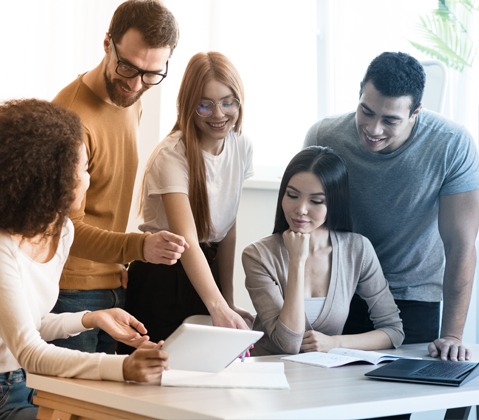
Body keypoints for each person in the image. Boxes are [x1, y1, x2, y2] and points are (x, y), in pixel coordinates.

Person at [303, 51, 479, 361]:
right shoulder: (324, 136)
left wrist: (452, 334)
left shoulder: (451, 145)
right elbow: (305, 221)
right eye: (366, 111)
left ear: (416, 112)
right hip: (341, 291)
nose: (373, 128)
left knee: (393, 403)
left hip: (412, 295)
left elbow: (460, 244)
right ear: (360, 92)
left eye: (390, 120)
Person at [0, 98, 169, 420]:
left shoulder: (60, 230)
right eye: (83, 168)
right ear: (52, 178)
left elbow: (28, 325)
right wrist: (124, 366)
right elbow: (28, 350)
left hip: (28, 380)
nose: (89, 178)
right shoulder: (4, 248)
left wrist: (91, 317)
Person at [51, 0, 188, 354]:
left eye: (151, 74)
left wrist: (119, 262)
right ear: (107, 43)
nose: (136, 83)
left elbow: (109, 201)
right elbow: (65, 228)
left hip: (114, 282)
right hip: (70, 292)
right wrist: (139, 247)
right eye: (127, 67)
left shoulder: (131, 98)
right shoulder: (71, 119)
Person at [118, 51, 254, 352]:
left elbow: (227, 227)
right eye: (205, 104)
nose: (219, 114)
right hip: (165, 276)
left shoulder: (241, 145)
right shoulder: (172, 154)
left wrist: (226, 300)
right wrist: (217, 305)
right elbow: (187, 238)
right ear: (190, 107)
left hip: (206, 272)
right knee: (160, 376)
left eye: (228, 102)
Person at [242, 146, 404, 356]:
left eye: (316, 201)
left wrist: (335, 343)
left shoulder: (357, 249)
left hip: (323, 379)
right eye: (292, 195)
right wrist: (296, 261)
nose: (300, 209)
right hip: (271, 374)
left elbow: (393, 332)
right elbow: (288, 344)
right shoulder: (257, 255)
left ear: (334, 203)